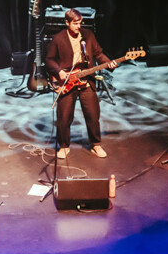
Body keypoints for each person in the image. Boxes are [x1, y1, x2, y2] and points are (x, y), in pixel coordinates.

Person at [45, 8, 117, 159]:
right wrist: (59, 71)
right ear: (67, 23)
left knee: (93, 115)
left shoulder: (88, 36)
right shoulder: (58, 39)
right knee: (64, 117)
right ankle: (64, 146)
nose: (79, 26)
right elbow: (49, 60)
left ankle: (95, 145)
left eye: (80, 23)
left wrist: (108, 62)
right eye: (75, 23)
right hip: (68, 81)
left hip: (86, 80)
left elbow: (98, 53)